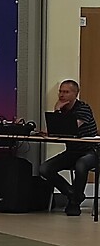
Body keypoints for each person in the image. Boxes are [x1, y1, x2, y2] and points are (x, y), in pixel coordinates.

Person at [39, 79, 98, 216]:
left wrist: (57, 111)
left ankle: (74, 203)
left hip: (92, 151)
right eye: (60, 91)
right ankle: (73, 194)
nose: (61, 95)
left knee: (81, 164)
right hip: (72, 151)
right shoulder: (63, 110)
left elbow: (69, 128)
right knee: (45, 169)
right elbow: (56, 130)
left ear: (75, 94)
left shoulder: (83, 108)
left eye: (66, 92)